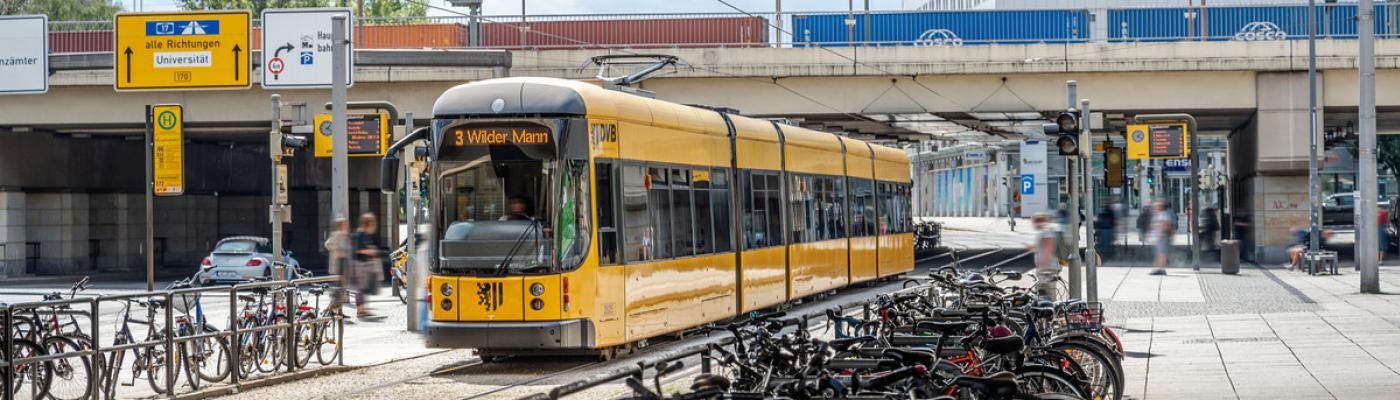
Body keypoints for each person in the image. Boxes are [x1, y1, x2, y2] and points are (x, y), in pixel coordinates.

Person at [350, 213, 385, 318]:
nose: (374, 225)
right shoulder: (360, 234)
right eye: (372, 223)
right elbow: (360, 249)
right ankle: (361, 310)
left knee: (363, 288)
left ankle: (363, 309)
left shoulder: (363, 234)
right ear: (368, 224)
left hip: (362, 264)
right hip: (360, 264)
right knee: (361, 288)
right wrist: (371, 252)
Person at [322, 218, 351, 314]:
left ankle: (335, 310)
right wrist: (336, 250)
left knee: (341, 290)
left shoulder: (344, 236)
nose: (346, 226)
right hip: (338, 264)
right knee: (338, 289)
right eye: (344, 224)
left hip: (344, 263)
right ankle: (331, 309)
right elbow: (327, 244)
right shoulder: (336, 235)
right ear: (340, 225)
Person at [1030, 213, 1060, 299]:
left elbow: (1048, 249)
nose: (1033, 225)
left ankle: (1052, 311)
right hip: (1047, 268)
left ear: (1038, 221)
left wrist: (1042, 267)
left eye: (1034, 222)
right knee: (1044, 294)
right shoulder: (1046, 231)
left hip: (1047, 269)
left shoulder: (1047, 231)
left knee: (1047, 295)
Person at [1149, 200, 1173, 276]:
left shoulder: (1164, 214)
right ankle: (1159, 268)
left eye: (1157, 206)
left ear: (1161, 206)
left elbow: (1166, 224)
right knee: (1159, 253)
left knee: (1162, 253)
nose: (1155, 207)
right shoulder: (1159, 214)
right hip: (1159, 237)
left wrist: (1161, 233)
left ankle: (1162, 269)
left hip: (1162, 237)